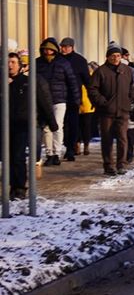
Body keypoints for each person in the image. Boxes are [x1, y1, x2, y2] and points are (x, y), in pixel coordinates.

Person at [7, 52, 57, 199]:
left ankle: (19, 187)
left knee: (17, 156)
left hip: (21, 124)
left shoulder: (27, 82)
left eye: (13, 62)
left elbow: (43, 101)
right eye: (8, 62)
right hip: (5, 124)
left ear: (20, 65)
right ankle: (12, 185)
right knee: (8, 157)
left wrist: (51, 122)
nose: (10, 65)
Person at [89, 45, 134, 175]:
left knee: (122, 138)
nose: (116, 58)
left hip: (123, 109)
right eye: (113, 56)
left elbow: (132, 86)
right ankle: (108, 165)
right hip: (106, 111)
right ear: (107, 57)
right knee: (107, 139)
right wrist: (102, 102)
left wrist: (131, 98)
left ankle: (121, 164)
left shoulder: (126, 70)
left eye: (118, 56)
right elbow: (92, 89)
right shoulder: (101, 71)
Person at [35, 38, 79, 166]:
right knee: (47, 128)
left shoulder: (63, 63)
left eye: (50, 49)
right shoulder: (38, 63)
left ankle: (57, 153)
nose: (47, 51)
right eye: (45, 49)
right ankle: (49, 154)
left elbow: (72, 82)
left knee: (57, 126)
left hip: (59, 99)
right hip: (43, 100)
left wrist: (76, 99)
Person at [58, 37, 91, 162]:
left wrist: (91, 96)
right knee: (62, 124)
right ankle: (67, 145)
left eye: (66, 46)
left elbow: (87, 80)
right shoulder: (58, 59)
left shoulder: (80, 60)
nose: (63, 49)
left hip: (74, 96)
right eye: (62, 46)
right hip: (60, 96)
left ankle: (71, 148)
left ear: (72, 47)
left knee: (73, 124)